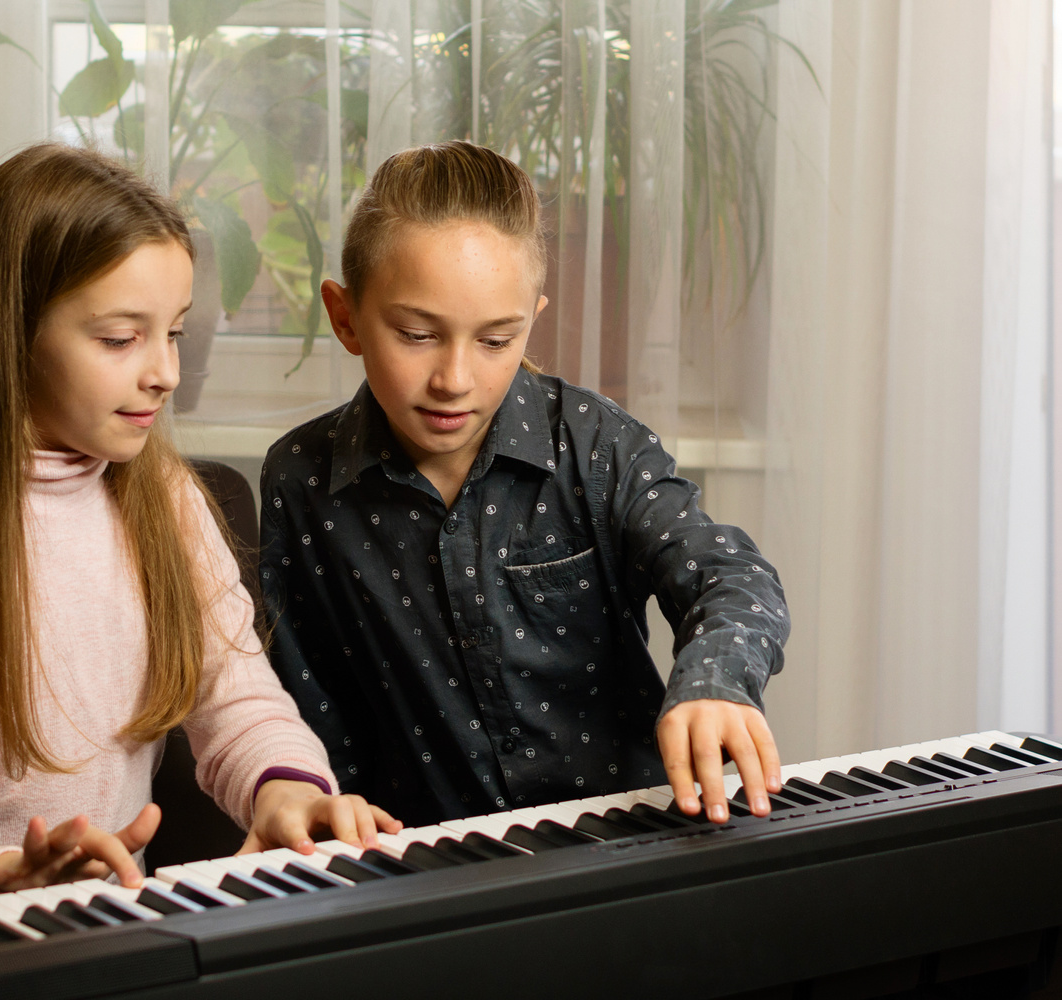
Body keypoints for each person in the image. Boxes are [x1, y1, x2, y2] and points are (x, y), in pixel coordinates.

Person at [0, 143, 398, 926]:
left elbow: (240, 701)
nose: (165, 373)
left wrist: (289, 790)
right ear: (11, 335)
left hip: (87, 942)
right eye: (119, 339)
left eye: (172, 333)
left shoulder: (167, 504)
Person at [259, 141, 790, 831]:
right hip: (417, 867)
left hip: (625, 847)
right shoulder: (299, 476)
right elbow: (302, 696)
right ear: (345, 316)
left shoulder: (594, 443)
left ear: (531, 318)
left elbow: (732, 576)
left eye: (495, 340)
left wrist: (716, 682)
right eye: (417, 334)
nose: (454, 378)